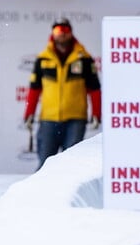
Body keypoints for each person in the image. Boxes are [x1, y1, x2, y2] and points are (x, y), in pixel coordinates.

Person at [23, 18, 102, 171]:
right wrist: (29, 113)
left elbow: (94, 89)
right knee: (45, 165)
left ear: (71, 33)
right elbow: (34, 89)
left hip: (75, 120)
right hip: (48, 119)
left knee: (71, 167)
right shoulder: (42, 59)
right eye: (58, 30)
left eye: (65, 30)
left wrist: (97, 114)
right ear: (52, 33)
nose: (62, 34)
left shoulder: (84, 59)